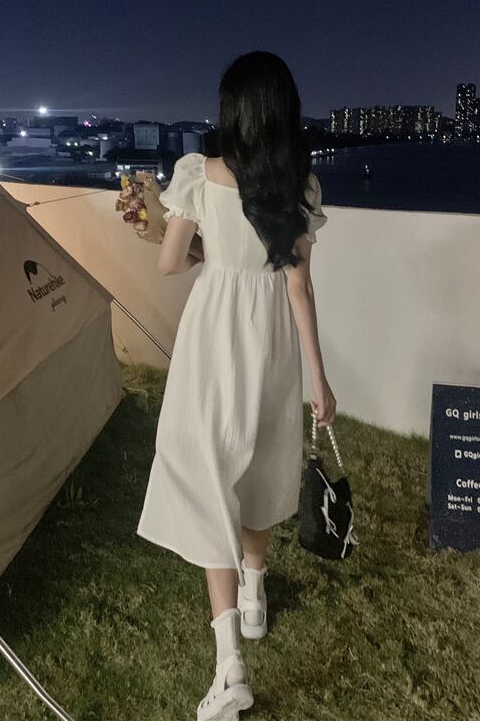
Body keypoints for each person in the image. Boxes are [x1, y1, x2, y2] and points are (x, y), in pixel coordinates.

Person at [135, 51, 336, 721]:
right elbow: (299, 288)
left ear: (234, 112)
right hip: (272, 338)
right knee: (260, 461)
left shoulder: (199, 173)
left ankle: (230, 666)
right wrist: (319, 378)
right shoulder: (300, 186)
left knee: (206, 474)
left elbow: (170, 262)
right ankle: (254, 594)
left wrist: (189, 241)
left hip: (214, 332)